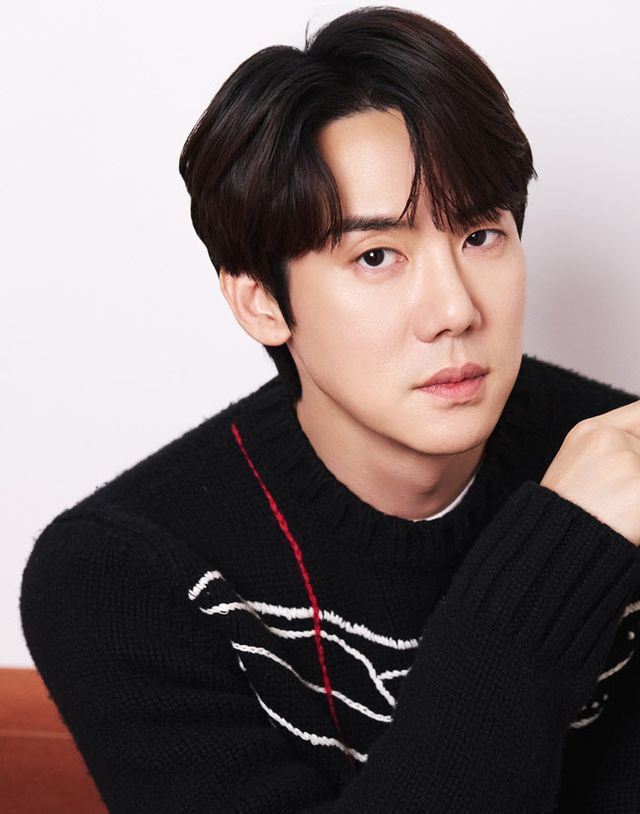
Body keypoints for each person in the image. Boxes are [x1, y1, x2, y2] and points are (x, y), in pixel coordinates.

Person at [20, 6, 640, 812]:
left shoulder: (624, 472)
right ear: (260, 302)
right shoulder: (123, 578)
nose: (455, 309)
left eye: (481, 236)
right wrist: (560, 557)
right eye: (376, 255)